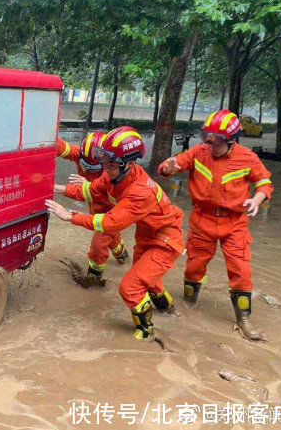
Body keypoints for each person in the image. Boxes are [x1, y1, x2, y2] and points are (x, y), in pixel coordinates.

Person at [47, 127, 184, 340]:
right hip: (147, 236)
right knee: (149, 281)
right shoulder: (114, 175)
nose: (104, 167)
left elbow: (109, 223)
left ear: (129, 163)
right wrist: (52, 187)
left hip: (166, 240)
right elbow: (89, 191)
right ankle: (171, 312)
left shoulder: (140, 192)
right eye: (104, 161)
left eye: (110, 164)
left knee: (130, 287)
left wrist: (70, 216)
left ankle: (146, 333)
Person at [158, 109, 273, 340]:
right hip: (202, 219)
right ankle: (189, 305)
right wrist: (167, 168)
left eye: (216, 138)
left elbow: (264, 182)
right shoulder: (198, 152)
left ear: (230, 138)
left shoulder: (247, 157)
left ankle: (243, 319)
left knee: (240, 269)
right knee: (194, 267)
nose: (209, 142)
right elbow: (171, 166)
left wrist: (257, 199)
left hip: (234, 222)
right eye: (206, 136)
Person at [56, 132, 129, 287]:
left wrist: (89, 184)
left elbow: (106, 195)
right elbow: (63, 148)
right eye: (85, 166)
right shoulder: (83, 153)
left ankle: (93, 281)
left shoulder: (113, 170)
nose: (88, 170)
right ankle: (122, 256)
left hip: (111, 212)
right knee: (112, 237)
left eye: (93, 167)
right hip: (95, 208)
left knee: (98, 245)